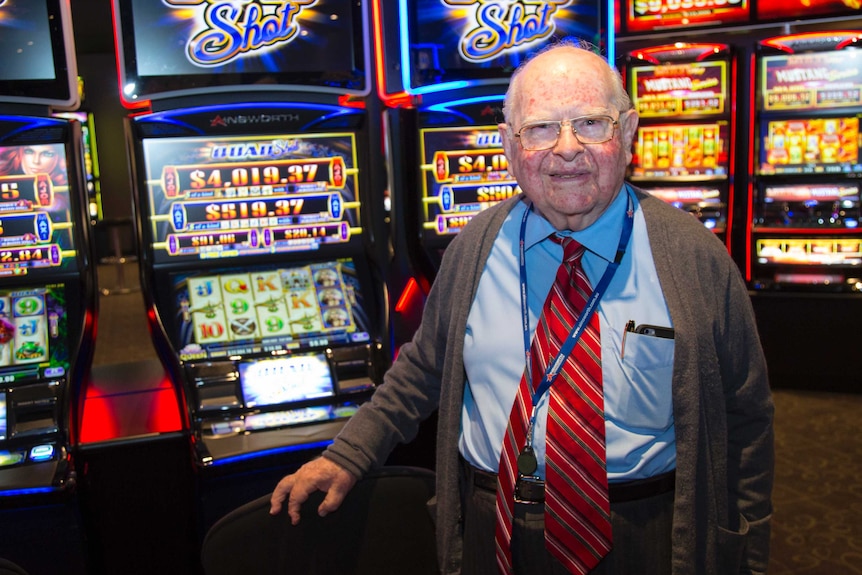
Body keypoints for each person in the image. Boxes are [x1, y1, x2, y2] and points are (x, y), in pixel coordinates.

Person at [270, 41, 774, 575]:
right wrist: (349, 453)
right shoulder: (474, 246)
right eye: (540, 129)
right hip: (494, 524)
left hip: (643, 532)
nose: (567, 148)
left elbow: (747, 417)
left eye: (591, 124)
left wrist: (748, 554)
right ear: (510, 148)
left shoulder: (695, 256)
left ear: (627, 135)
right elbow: (422, 368)